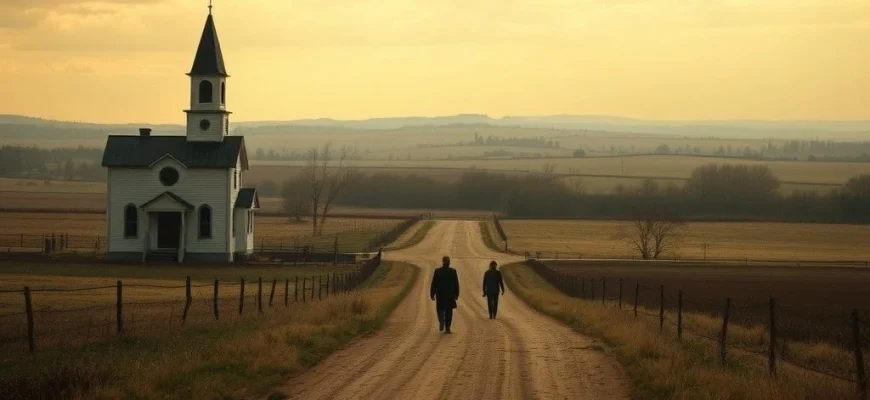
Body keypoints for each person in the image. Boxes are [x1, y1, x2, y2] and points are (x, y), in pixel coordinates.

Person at [430, 255, 460, 334]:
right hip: (450, 294)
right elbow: (456, 284)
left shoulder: (437, 271)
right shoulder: (453, 271)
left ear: (443, 262)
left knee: (440, 309)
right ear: (449, 262)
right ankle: (447, 327)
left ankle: (441, 321)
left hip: (440, 294)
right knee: (449, 312)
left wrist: (432, 294)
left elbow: (434, 284)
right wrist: (457, 294)